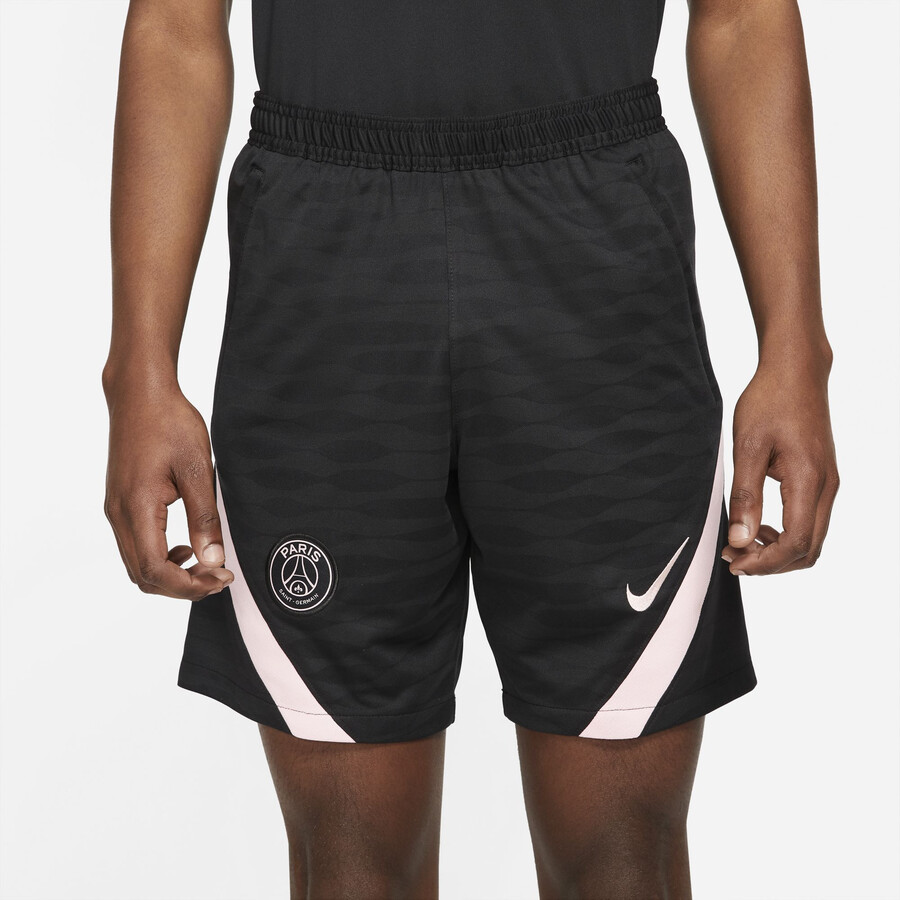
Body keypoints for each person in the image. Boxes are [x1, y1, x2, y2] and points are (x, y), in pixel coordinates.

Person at [103, 0, 839, 896]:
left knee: (621, 855)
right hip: (325, 258)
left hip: (594, 252)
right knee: (351, 861)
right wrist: (139, 373)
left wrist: (795, 348)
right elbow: (176, 24)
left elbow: (741, 14)